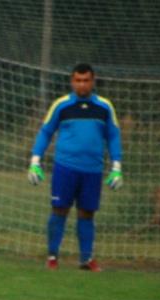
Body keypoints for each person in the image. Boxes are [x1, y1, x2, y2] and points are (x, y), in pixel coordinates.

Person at [28, 63, 123, 272]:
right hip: (65, 167)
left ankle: (86, 259)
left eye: (86, 80)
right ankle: (52, 257)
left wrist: (117, 166)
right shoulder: (61, 105)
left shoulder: (104, 107)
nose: (82, 85)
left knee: (87, 212)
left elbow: (113, 135)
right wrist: (35, 161)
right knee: (59, 209)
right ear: (72, 81)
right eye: (78, 81)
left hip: (92, 170)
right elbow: (46, 131)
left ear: (93, 81)